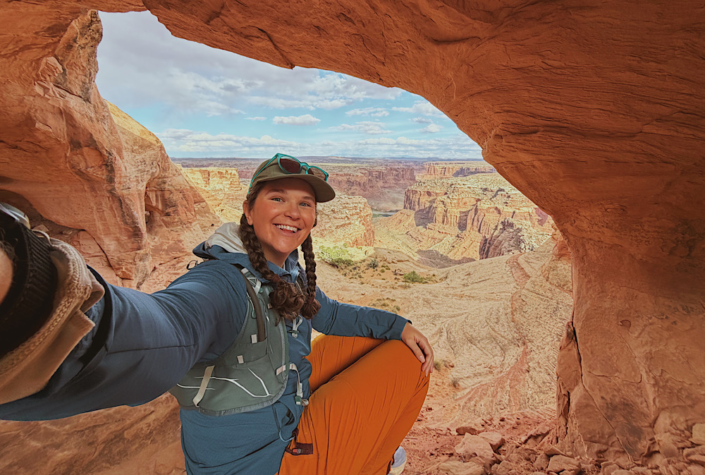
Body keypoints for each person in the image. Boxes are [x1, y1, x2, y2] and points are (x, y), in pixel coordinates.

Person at [0, 153, 433, 475]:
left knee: (378, 339)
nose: (293, 212)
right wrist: (31, 291)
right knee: (407, 362)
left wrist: (398, 324)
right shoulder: (220, 283)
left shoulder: (283, 270)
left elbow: (328, 314)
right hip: (264, 461)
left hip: (272, 419)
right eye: (277, 198)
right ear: (248, 210)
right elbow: (162, 328)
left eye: (305, 204)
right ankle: (372, 462)